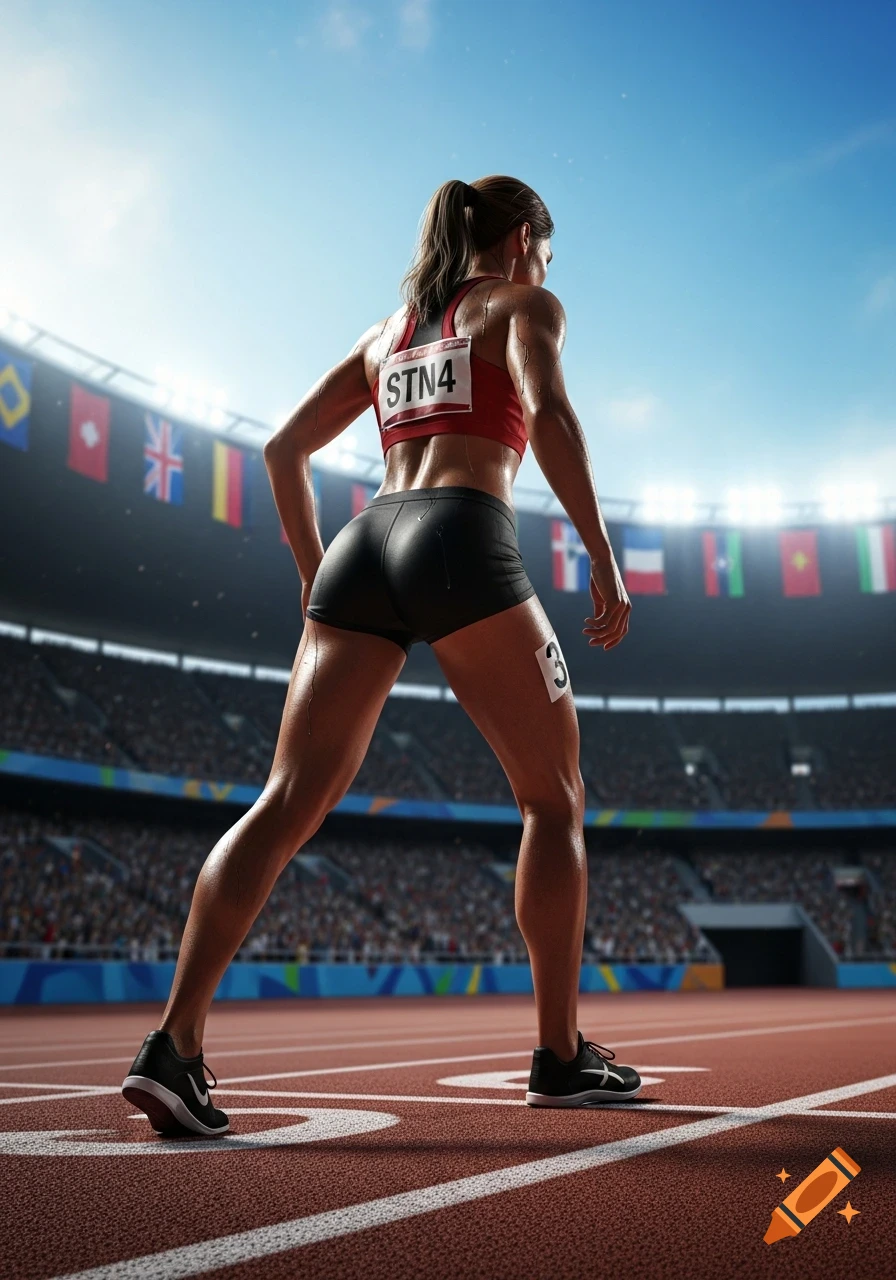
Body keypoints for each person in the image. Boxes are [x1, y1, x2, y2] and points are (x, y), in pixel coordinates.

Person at [122, 175, 639, 1135]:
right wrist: (600, 555)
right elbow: (553, 414)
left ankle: (173, 1045)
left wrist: (322, 580)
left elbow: (283, 452)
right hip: (462, 532)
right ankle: (560, 1055)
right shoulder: (524, 305)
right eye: (547, 253)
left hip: (366, 542)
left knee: (282, 803)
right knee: (552, 798)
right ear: (524, 239)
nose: (546, 268)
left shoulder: (386, 335)